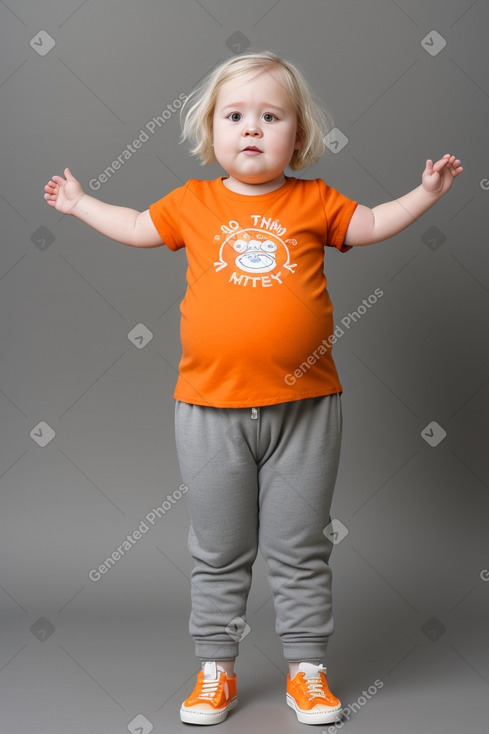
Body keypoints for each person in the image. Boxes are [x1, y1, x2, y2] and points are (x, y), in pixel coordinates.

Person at [44, 50, 462, 726]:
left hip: (307, 409)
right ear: (211, 132)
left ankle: (306, 671)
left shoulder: (314, 199)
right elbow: (135, 228)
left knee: (301, 547)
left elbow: (372, 224)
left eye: (270, 117)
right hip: (209, 411)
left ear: (296, 136)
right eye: (235, 116)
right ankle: (216, 670)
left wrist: (424, 195)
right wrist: (82, 203)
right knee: (217, 548)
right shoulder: (192, 202)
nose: (251, 128)